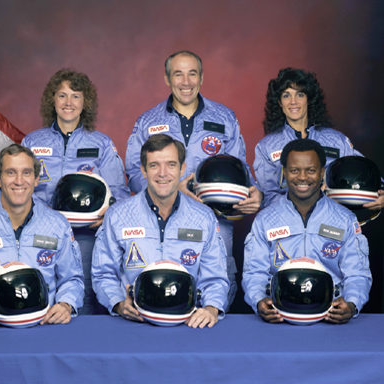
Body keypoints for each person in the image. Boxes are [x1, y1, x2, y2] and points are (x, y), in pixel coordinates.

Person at [125, 51, 261, 310]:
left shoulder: (225, 118)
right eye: (178, 74)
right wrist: (171, 190)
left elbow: (241, 170)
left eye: (192, 73)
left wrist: (256, 195)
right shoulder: (147, 121)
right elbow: (133, 173)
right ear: (167, 78)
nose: (185, 81)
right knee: (166, 294)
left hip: (216, 221)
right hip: (160, 222)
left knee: (215, 297)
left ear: (202, 78)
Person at [21, 69, 130, 315]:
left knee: (86, 297)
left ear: (85, 103)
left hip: (86, 237)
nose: (68, 103)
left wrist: (106, 216)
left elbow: (119, 193)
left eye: (76, 96)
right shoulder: (31, 142)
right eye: (62, 95)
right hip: (41, 234)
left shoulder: (101, 143)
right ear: (52, 100)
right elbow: (17, 188)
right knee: (41, 295)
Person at [93, 134, 229, 328]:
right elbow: (103, 273)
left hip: (189, 324)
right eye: (154, 165)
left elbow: (215, 277)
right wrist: (118, 303)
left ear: (182, 169)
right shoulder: (117, 216)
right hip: (135, 323)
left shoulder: (203, 217)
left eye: (171, 165)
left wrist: (211, 308)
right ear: (143, 170)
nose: (162, 173)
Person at [0, 144, 84, 327]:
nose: (19, 181)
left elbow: (72, 279)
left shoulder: (58, 225)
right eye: (10, 173)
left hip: (45, 326)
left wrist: (66, 304)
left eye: (26, 173)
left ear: (36, 179)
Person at [243, 139, 372, 324]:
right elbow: (254, 272)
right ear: (284, 172)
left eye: (311, 170)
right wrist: (258, 300)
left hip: (330, 316)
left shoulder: (345, 219)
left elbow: (357, 273)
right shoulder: (265, 219)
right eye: (294, 170)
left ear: (322, 173)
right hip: (280, 315)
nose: (302, 177)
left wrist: (352, 303)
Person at [254, 67, 384, 211]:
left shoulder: (336, 141)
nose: (293, 101)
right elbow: (268, 197)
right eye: (286, 95)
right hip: (288, 226)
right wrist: (303, 204)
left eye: (300, 94)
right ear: (279, 102)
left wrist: (381, 191)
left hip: (332, 221)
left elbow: (365, 173)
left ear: (309, 99)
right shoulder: (266, 146)